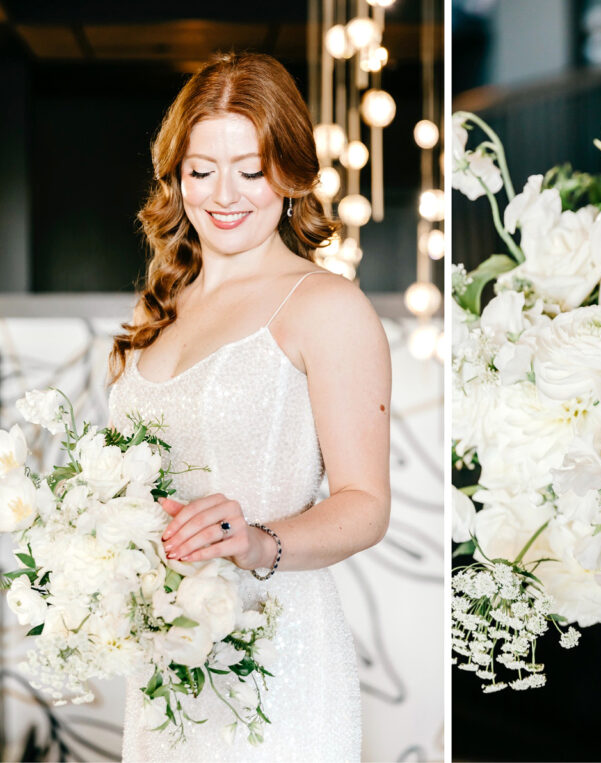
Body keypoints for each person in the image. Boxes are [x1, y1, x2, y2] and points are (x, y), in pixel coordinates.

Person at [107, 51, 391, 762]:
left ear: (291, 174)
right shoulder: (153, 312)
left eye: (252, 169)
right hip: (167, 662)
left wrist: (257, 540)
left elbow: (365, 503)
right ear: (175, 176)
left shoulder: (326, 306)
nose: (224, 195)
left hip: (276, 653)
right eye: (203, 170)